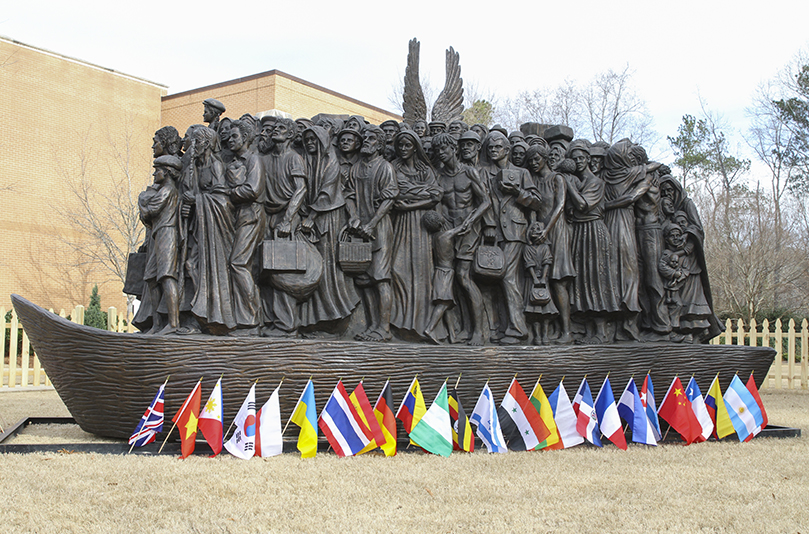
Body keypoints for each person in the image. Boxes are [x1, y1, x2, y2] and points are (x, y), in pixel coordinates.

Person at [479, 131, 541, 344]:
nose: (493, 151)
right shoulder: (483, 172)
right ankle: (494, 328)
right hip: (490, 232)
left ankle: (517, 328)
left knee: (507, 277)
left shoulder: (521, 173)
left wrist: (516, 192)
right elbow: (482, 199)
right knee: (489, 278)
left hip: (514, 232)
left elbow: (536, 201)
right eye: (490, 148)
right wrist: (487, 224)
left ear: (507, 149)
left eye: (498, 147)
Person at [298, 125, 359, 328]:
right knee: (313, 266)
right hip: (313, 215)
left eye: (313, 140)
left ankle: (334, 316)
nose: (309, 143)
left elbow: (326, 192)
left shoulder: (331, 161)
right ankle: (314, 318)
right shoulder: (310, 161)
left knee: (327, 267)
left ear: (323, 141)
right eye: (307, 140)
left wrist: (311, 217)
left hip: (328, 216)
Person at [432, 132, 491, 345]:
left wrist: (472, 221)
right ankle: (461, 329)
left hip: (469, 228)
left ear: (453, 149)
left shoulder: (469, 172)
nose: (440, 153)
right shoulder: (439, 176)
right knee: (452, 281)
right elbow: (438, 203)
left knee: (463, 277)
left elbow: (485, 201)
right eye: (437, 150)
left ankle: (478, 331)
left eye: (444, 149)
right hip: (448, 229)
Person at [345, 125, 399, 342]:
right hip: (359, 228)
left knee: (381, 278)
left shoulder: (385, 167)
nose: (366, 141)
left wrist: (374, 223)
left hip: (380, 228)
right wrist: (353, 216)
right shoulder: (355, 168)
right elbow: (348, 194)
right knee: (364, 280)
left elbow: (390, 198)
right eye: (365, 138)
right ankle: (371, 326)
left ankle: (384, 328)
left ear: (380, 144)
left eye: (372, 139)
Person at [390, 129, 443, 339]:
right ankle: (399, 320)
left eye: (407, 145)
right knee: (397, 268)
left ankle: (420, 325)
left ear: (415, 148)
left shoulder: (425, 171)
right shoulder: (393, 167)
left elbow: (436, 196)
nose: (403, 149)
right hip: (401, 224)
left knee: (421, 272)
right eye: (400, 145)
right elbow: (396, 192)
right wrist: (422, 193)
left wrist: (409, 204)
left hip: (420, 225)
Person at [565, 139, 620, 343]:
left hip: (593, 231)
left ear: (588, 159)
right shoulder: (579, 182)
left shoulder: (596, 182)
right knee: (582, 279)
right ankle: (589, 330)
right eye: (574, 158)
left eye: (581, 158)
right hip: (579, 232)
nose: (578, 161)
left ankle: (601, 330)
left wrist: (569, 186)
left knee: (597, 278)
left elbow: (583, 205)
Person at [183, 126, 236, 334]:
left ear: (205, 143)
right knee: (190, 265)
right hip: (201, 224)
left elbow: (223, 199)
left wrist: (197, 200)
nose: (190, 146)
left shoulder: (216, 165)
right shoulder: (195, 166)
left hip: (215, 227)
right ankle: (200, 313)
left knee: (210, 268)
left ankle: (213, 317)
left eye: (194, 142)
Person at [260, 118, 308, 336]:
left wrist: (288, 219)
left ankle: (287, 325)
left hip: (287, 216)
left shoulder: (294, 158)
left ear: (290, 134)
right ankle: (269, 320)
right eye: (274, 128)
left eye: (281, 129)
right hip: (267, 215)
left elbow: (300, 190)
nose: (275, 132)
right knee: (265, 269)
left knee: (283, 271)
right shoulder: (265, 159)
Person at [524, 142, 574, 343]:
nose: (534, 163)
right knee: (538, 276)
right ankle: (543, 330)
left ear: (545, 158)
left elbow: (560, 205)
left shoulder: (557, 178)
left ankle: (567, 331)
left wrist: (547, 229)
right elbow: (534, 207)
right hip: (538, 233)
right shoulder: (533, 179)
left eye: (537, 159)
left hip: (557, 230)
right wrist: (533, 228)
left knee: (558, 279)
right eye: (531, 161)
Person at [226, 118, 266, 336]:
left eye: (235, 136)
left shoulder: (254, 160)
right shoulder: (234, 161)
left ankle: (251, 322)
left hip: (251, 214)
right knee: (240, 265)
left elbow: (253, 189)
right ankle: (243, 318)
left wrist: (227, 193)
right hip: (237, 215)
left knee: (239, 263)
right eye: (230, 136)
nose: (230, 140)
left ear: (247, 138)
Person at [138, 155, 182, 335]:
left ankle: (173, 323)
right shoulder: (163, 189)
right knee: (151, 277)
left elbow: (151, 211)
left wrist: (142, 200)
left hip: (167, 234)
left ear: (167, 172)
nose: (155, 174)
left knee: (166, 276)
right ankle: (157, 323)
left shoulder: (167, 190)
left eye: (158, 170)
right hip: (159, 234)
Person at [422, 211, 465, 344]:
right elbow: (463, 227)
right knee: (444, 303)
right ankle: (430, 329)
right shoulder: (445, 235)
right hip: (445, 272)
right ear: (440, 223)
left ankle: (452, 335)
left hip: (441, 271)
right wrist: (472, 218)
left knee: (448, 305)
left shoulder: (435, 237)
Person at [523, 221, 558, 345]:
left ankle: (545, 335)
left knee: (545, 309)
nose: (535, 230)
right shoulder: (527, 248)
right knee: (533, 310)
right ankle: (537, 336)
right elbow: (529, 264)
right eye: (533, 228)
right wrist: (535, 279)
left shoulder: (545, 247)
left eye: (538, 228)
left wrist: (543, 278)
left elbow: (547, 262)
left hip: (544, 280)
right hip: (531, 280)